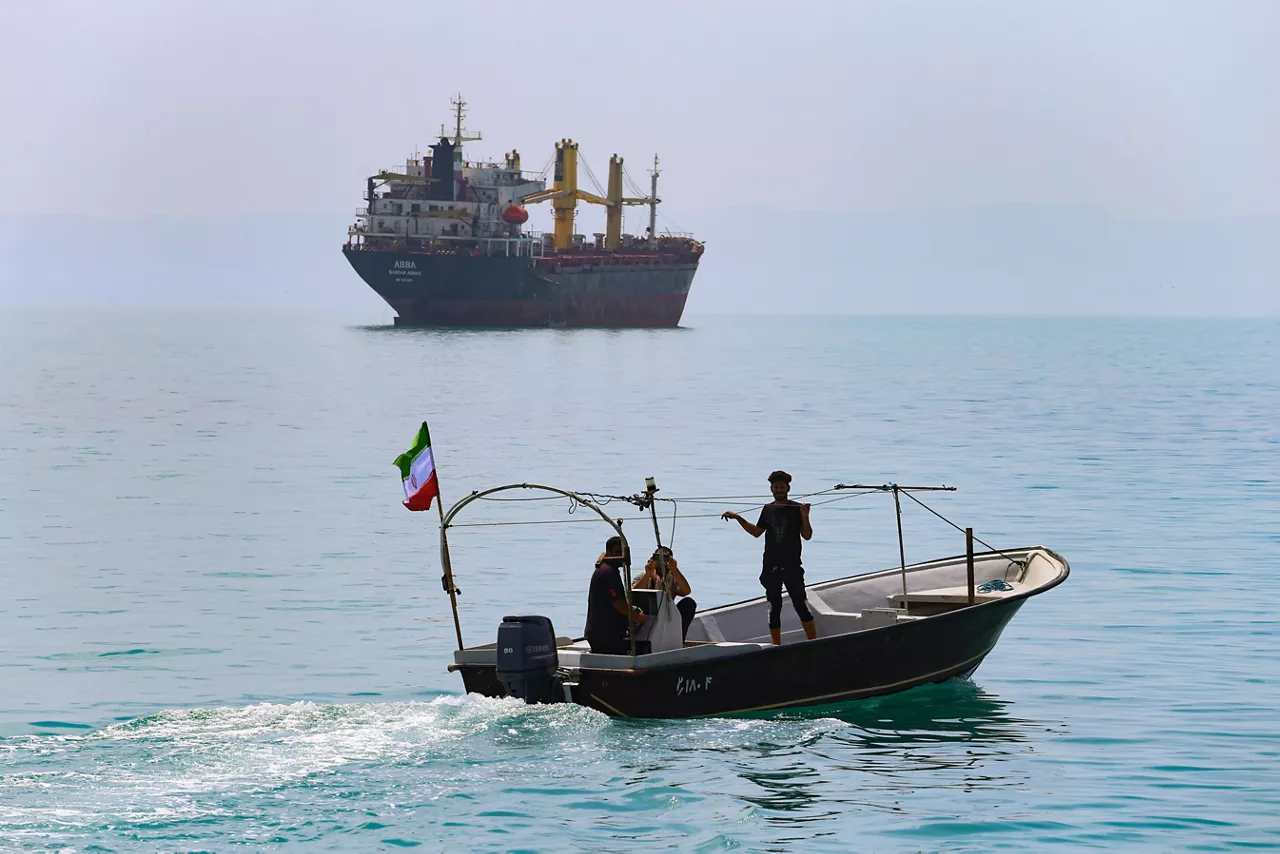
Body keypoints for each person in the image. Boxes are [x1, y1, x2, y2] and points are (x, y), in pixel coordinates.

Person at [722, 470, 818, 645]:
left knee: (801, 604)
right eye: (776, 487)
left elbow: (807, 535)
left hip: (792, 566)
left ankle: (814, 643)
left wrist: (805, 516)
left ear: (788, 488)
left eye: (782, 486)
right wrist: (738, 518)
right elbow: (757, 532)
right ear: (771, 489)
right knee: (774, 608)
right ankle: (776, 646)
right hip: (771, 566)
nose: (779, 489)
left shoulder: (797, 508)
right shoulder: (767, 509)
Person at [584, 535, 645, 654]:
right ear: (609, 553)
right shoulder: (608, 573)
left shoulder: (606, 570)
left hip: (603, 633)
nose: (621, 557)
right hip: (605, 635)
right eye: (618, 552)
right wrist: (637, 617)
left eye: (623, 553)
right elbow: (618, 603)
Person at [632, 546, 697, 641]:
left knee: (688, 603)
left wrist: (675, 570)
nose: (661, 561)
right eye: (658, 557)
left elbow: (686, 591)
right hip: (646, 616)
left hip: (668, 615)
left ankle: (679, 639)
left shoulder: (673, 578)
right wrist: (648, 575)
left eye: (665, 558)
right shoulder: (642, 577)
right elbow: (633, 595)